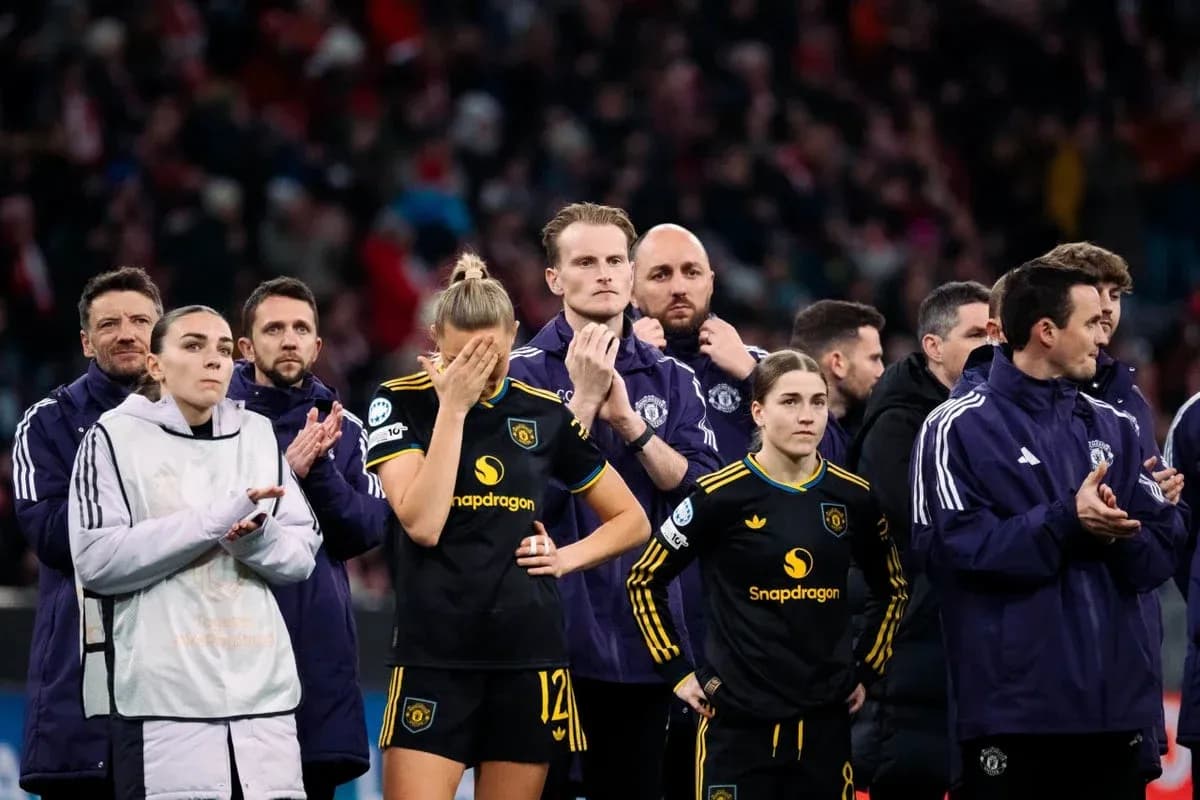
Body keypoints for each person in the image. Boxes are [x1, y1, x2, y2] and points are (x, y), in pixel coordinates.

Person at [366, 253, 650, 800]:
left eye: (491, 356)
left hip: (528, 657)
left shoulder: (545, 413)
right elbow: (423, 524)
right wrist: (452, 410)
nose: (476, 369)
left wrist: (565, 558)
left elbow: (631, 520)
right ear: (434, 337)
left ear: (515, 334)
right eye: (459, 356)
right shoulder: (399, 401)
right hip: (434, 655)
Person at [911, 263, 1186, 800]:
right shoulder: (954, 427)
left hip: (1115, 712)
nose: (1103, 334)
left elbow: (1160, 554)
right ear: (1046, 331)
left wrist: (1118, 531)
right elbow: (951, 552)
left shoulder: (1116, 425)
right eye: (1089, 322)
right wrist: (1067, 520)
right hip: (1015, 714)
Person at [508, 202, 721, 800]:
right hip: (543, 638)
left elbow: (703, 498)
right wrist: (579, 405)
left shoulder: (674, 380)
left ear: (630, 273)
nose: (603, 274)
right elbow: (511, 506)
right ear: (554, 279)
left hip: (642, 640)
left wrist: (631, 425)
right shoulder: (515, 377)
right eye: (584, 262)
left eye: (614, 261)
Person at [626, 349, 909, 800]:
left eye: (818, 402)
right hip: (736, 726)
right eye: (790, 401)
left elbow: (892, 589)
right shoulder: (719, 495)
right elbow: (644, 578)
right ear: (758, 411)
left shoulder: (853, 497)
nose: (807, 416)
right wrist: (677, 671)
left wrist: (867, 669)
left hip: (824, 726)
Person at [68, 304, 321, 800]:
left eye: (225, 350)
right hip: (163, 703)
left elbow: (301, 557)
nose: (214, 360)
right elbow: (97, 560)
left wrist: (253, 538)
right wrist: (213, 520)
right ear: (156, 365)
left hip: (264, 699)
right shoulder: (111, 438)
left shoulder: (257, 433)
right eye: (194, 346)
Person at [230, 277, 390, 799]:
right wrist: (288, 470)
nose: (289, 339)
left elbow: (364, 530)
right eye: (274, 329)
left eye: (301, 328)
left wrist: (318, 471)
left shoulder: (345, 428)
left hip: (315, 652)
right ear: (246, 346)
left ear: (318, 345)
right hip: (226, 646)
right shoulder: (210, 421)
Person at [10, 266, 162, 800]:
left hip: (179, 684)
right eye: (110, 323)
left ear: (161, 336)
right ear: (85, 340)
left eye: (141, 321)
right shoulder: (47, 422)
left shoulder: (202, 419)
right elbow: (52, 537)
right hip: (78, 685)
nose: (126, 333)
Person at [629, 221, 765, 800]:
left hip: (742, 620)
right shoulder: (606, 366)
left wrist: (756, 375)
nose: (678, 286)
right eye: (660, 275)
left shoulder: (761, 369)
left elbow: (833, 464)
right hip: (643, 613)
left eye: (690, 273)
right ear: (632, 288)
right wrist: (627, 364)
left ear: (712, 281)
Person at [847, 281, 989, 800]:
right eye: (976, 333)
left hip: (948, 645)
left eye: (995, 332)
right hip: (907, 641)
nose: (991, 345)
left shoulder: (982, 415)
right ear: (933, 347)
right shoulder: (899, 423)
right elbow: (912, 525)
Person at [789, 300, 886, 465]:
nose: (881, 371)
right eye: (874, 359)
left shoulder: (865, 431)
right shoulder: (784, 436)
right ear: (838, 363)